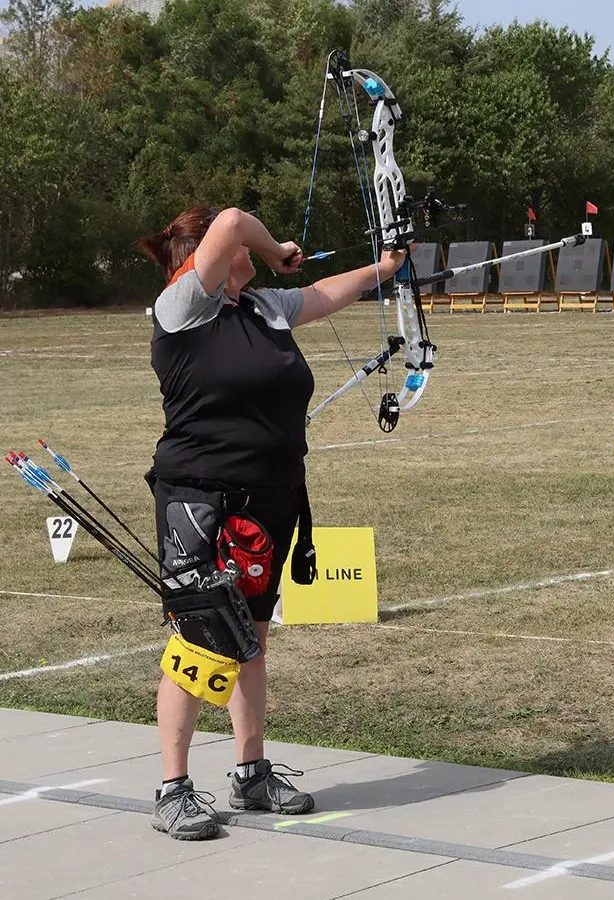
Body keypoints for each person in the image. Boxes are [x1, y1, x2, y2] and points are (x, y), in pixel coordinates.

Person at [136, 205, 405, 840]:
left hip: (269, 498)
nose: (251, 255)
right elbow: (232, 219)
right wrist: (279, 245)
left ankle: (251, 772)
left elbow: (322, 295)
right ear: (207, 254)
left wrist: (385, 267)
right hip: (201, 500)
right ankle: (173, 788)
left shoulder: (260, 308)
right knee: (203, 638)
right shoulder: (181, 308)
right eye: (239, 248)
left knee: (251, 637)